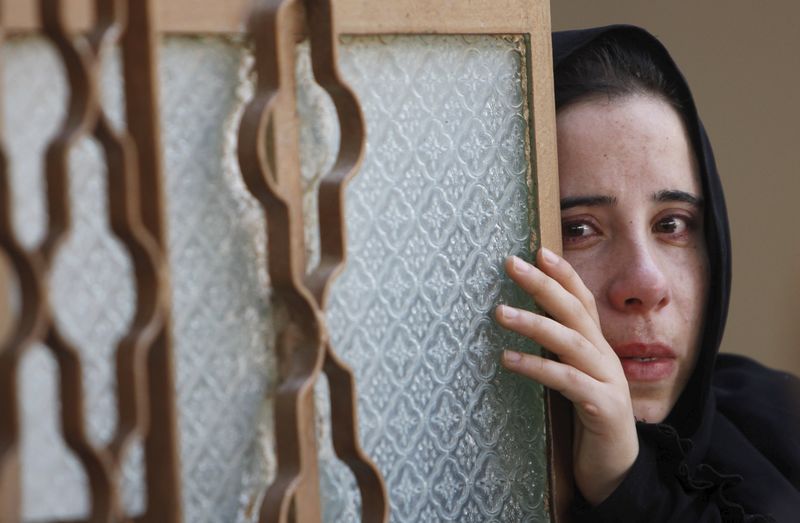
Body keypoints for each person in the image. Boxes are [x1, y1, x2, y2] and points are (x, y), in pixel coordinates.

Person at [495, 25, 800, 520]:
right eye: (579, 229)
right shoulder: (444, 473)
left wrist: (623, 484)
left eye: (672, 224)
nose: (645, 286)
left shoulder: (782, 425)